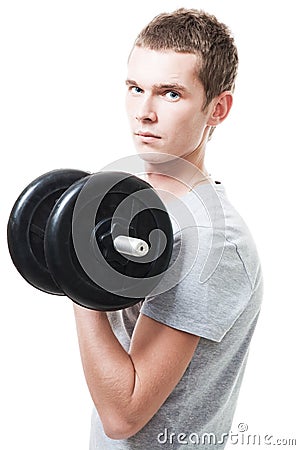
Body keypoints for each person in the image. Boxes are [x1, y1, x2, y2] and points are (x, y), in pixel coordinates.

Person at [73, 8, 263, 449]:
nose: (144, 112)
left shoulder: (211, 241)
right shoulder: (138, 205)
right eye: (135, 88)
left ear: (217, 108)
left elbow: (123, 414)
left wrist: (78, 277)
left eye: (170, 94)